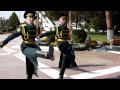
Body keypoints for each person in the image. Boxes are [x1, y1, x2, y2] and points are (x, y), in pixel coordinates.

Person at [0, 11, 54, 79]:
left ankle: (31, 74)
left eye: (33, 17)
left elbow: (36, 38)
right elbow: (13, 35)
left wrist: (44, 41)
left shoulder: (34, 27)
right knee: (30, 65)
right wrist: (4, 42)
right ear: (26, 18)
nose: (32, 19)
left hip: (33, 46)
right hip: (26, 47)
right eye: (30, 17)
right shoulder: (22, 27)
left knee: (31, 66)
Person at [39, 13, 77, 79]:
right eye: (63, 19)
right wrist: (41, 35)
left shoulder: (67, 29)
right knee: (65, 56)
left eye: (65, 19)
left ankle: (71, 63)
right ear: (59, 21)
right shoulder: (57, 28)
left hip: (67, 44)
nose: (64, 20)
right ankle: (61, 75)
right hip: (61, 44)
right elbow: (49, 32)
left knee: (70, 56)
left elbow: (68, 38)